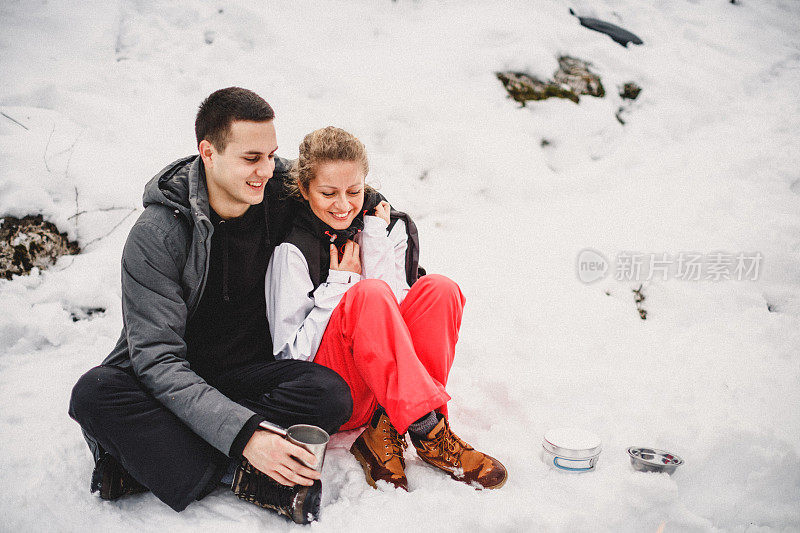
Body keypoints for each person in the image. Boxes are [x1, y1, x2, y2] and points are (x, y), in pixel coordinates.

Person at [68, 88, 353, 525]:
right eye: (251, 158)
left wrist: (390, 222)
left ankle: (146, 462)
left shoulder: (277, 191)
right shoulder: (158, 234)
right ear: (208, 152)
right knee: (95, 393)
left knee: (328, 393)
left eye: (272, 156)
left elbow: (344, 185)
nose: (266, 171)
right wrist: (245, 437)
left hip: (245, 377)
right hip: (168, 383)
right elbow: (157, 361)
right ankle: (238, 474)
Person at [265, 126, 507, 491]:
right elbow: (289, 354)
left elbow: (394, 317)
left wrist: (375, 241)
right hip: (335, 393)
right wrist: (339, 286)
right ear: (304, 189)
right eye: (328, 193)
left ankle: (386, 431)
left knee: (439, 289)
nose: (344, 205)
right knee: (368, 295)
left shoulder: (381, 226)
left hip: (387, 392)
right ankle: (428, 429)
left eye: (354, 191)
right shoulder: (291, 252)